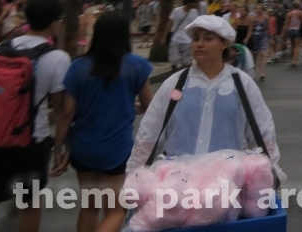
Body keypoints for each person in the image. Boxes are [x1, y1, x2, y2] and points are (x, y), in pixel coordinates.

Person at [97, 16, 284, 232]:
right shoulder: (175, 84)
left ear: (224, 43)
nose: (199, 43)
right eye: (196, 39)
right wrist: (134, 178)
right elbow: (149, 135)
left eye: (208, 38)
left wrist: (272, 176)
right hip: (176, 193)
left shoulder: (242, 85)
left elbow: (263, 133)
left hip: (225, 193)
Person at [0, 0, 71, 232]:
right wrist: (60, 147)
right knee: (30, 203)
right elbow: (62, 110)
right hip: (31, 142)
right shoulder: (58, 58)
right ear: (55, 23)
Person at [53, 12, 153, 232]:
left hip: (83, 147)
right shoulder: (136, 65)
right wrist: (135, 105)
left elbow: (67, 111)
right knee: (115, 211)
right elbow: (151, 106)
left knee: (89, 206)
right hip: (116, 148)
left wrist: (59, 146)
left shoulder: (78, 67)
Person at [248, 4, 271, 81]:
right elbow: (251, 29)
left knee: (262, 54)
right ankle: (254, 71)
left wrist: (271, 37)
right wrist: (248, 38)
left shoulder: (266, 17)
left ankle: (262, 72)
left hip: (263, 36)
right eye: (257, 8)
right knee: (255, 55)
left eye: (260, 8)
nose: (258, 10)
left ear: (262, 9)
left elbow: (269, 27)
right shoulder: (253, 18)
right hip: (255, 37)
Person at [285, 3, 302, 67]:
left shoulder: (289, 14)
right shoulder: (300, 13)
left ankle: (292, 58)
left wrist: (285, 31)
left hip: (290, 30)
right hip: (297, 30)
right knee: (297, 46)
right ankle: (294, 60)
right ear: (298, 6)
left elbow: (286, 23)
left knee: (292, 45)